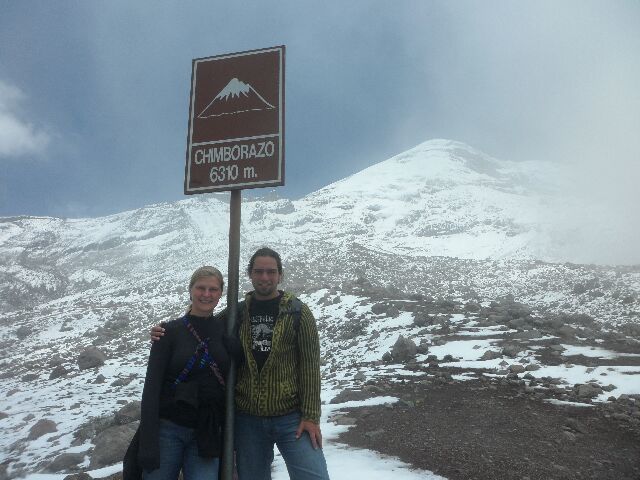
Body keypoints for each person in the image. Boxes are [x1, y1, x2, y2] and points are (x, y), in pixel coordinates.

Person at [151, 247, 330, 480]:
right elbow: (202, 326)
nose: (265, 277)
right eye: (259, 271)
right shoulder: (237, 313)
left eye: (271, 272)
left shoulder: (297, 313)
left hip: (291, 418)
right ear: (250, 275)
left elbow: (309, 367)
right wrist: (162, 332)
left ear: (280, 275)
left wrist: (311, 416)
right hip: (248, 420)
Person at [127, 266, 241, 480]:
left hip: (206, 432)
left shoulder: (225, 330)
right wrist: (148, 443)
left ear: (220, 294)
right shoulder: (169, 332)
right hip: (168, 430)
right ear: (190, 290)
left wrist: (238, 351)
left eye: (213, 289)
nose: (206, 294)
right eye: (201, 288)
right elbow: (151, 389)